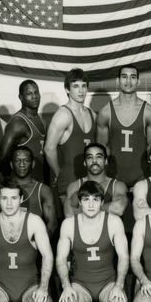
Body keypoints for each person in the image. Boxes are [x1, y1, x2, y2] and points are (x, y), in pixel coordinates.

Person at [55, 181, 129, 302]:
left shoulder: (113, 222)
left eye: (95, 200)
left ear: (102, 202)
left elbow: (123, 257)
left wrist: (118, 286)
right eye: (86, 199)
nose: (90, 205)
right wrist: (66, 286)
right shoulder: (69, 224)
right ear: (80, 202)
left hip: (108, 283)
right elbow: (61, 259)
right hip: (81, 284)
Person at [96, 65, 151, 188]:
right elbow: (101, 149)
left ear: (138, 81)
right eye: (124, 77)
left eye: (133, 77)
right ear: (118, 81)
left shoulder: (149, 111)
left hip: (142, 177)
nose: (128, 81)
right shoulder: (105, 112)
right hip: (114, 177)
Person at [45, 68, 97, 205]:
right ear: (67, 90)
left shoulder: (92, 114)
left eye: (84, 86)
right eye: (75, 86)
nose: (81, 91)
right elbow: (49, 148)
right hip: (69, 178)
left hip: (90, 177)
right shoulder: (63, 115)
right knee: (71, 223)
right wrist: (58, 173)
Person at [0, 145, 58, 236]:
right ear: (11, 164)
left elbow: (52, 224)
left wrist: (37, 242)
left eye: (26, 161)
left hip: (34, 243)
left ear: (33, 164)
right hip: (6, 243)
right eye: (17, 161)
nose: (22, 165)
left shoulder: (43, 190)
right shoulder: (1, 189)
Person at [0, 80, 48, 183]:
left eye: (36, 92)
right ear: (21, 97)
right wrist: (10, 181)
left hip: (38, 181)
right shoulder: (18, 122)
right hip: (21, 184)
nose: (34, 96)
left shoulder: (41, 120)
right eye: (29, 94)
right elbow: (3, 157)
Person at [64, 143, 128, 218]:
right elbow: (68, 213)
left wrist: (85, 209)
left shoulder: (117, 185)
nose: (94, 160)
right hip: (83, 229)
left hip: (108, 229)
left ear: (106, 161)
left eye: (99, 156)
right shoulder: (75, 186)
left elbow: (118, 209)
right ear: (84, 162)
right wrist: (104, 208)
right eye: (90, 157)